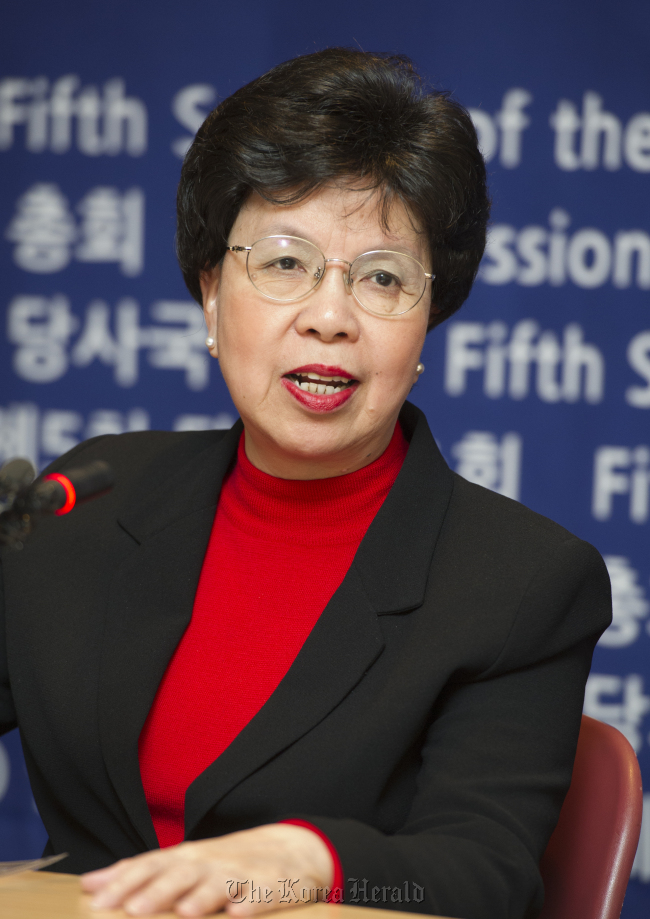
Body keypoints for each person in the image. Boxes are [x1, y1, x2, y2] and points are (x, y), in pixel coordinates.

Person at [0, 49, 611, 919]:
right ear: (212, 295)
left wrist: (309, 858)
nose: (330, 315)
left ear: (426, 324)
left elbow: (487, 874)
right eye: (285, 263)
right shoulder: (90, 499)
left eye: (382, 278)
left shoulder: (523, 583)